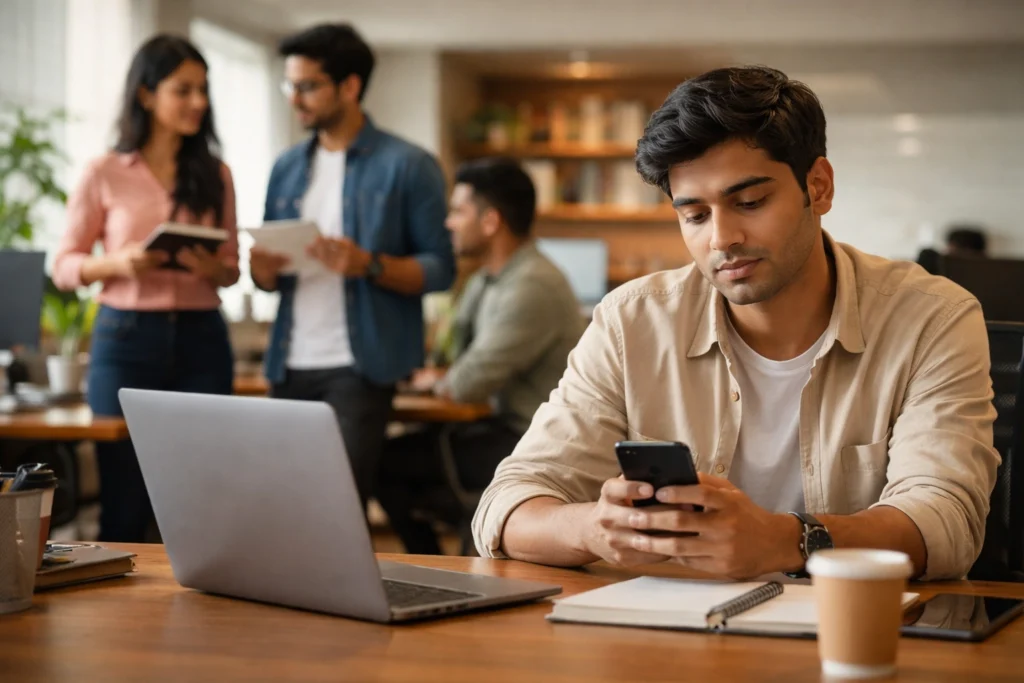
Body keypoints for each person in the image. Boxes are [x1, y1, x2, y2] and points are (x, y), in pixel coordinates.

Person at [472, 66, 999, 581]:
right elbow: (507, 504)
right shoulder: (631, 322)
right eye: (694, 216)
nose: (721, 239)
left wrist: (787, 540)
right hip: (673, 643)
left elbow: (947, 521)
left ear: (818, 187)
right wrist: (593, 527)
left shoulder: (934, 318)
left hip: (856, 636)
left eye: (749, 202)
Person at [251, 24, 454, 506]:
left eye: (307, 86)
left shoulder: (408, 165)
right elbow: (270, 278)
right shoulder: (286, 167)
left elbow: (441, 268)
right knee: (281, 504)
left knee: (334, 505)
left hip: (360, 369)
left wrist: (369, 265)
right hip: (289, 363)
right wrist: (262, 271)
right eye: (289, 86)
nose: (294, 99)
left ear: (350, 86)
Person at [53, 35, 239, 542]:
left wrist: (211, 267)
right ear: (145, 95)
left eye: (203, 90)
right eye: (184, 90)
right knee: (125, 500)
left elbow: (232, 269)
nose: (198, 103)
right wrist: (119, 263)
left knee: (202, 495)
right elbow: (63, 265)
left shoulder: (216, 174)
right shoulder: (103, 172)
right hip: (126, 339)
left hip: (203, 338)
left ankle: (204, 612)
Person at [376, 158, 584, 554]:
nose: (449, 223)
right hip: (493, 426)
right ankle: (440, 557)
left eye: (458, 211)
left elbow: (466, 382)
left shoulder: (531, 285)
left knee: (382, 462)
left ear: (491, 222)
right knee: (390, 459)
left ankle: (436, 564)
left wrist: (441, 378)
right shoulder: (488, 279)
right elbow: (450, 355)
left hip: (526, 439)